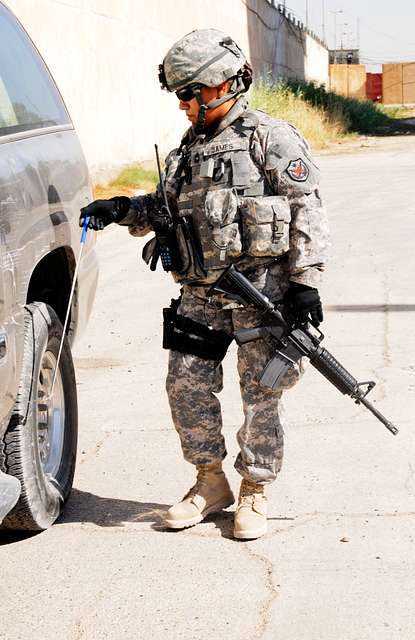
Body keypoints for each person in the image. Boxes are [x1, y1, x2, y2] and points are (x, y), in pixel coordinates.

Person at [79, 29, 330, 540]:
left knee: (262, 395)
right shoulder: (186, 152)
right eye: (179, 96)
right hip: (200, 295)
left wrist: (305, 282)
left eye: (191, 93)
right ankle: (210, 481)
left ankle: (254, 490)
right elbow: (166, 208)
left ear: (224, 85)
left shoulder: (271, 139)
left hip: (263, 295)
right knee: (186, 387)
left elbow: (307, 210)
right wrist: (125, 209)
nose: (184, 105)